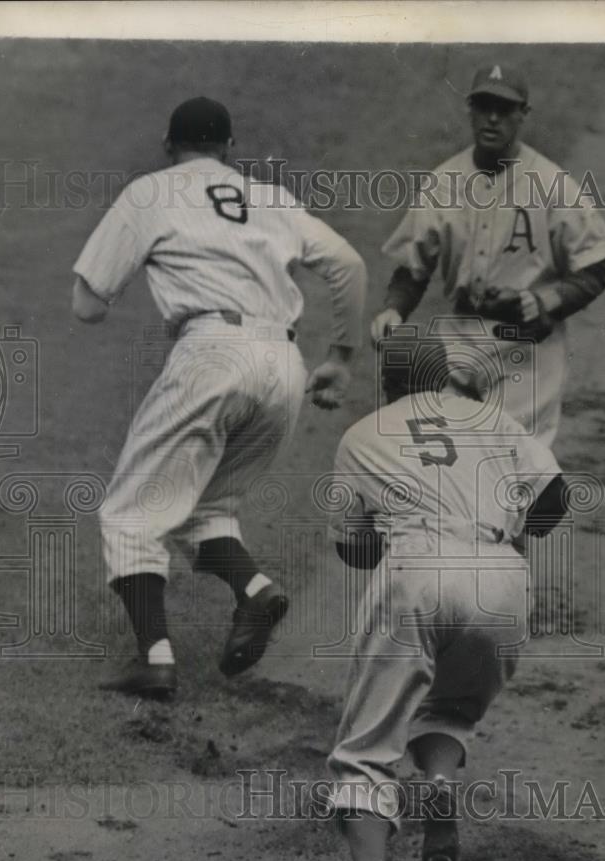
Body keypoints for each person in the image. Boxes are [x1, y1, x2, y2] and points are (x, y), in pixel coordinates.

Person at [72, 97, 366, 698]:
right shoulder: (271, 199)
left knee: (130, 513)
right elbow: (349, 264)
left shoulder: (149, 192)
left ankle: (154, 660)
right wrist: (341, 358)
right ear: (230, 149)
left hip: (212, 355)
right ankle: (256, 592)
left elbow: (88, 305)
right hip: (283, 366)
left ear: (166, 145)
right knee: (201, 507)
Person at [314, 332, 569, 861]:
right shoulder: (494, 417)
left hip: (417, 570)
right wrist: (501, 535)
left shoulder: (363, 435)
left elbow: (352, 548)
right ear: (446, 377)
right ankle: (438, 782)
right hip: (502, 579)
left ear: (388, 384)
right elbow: (557, 496)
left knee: (367, 745)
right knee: (450, 705)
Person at [371, 63, 605, 447]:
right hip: (458, 337)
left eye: (504, 109)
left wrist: (543, 300)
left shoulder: (553, 185)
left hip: (528, 347)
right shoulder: (444, 181)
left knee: (513, 471)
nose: (492, 118)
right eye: (483, 105)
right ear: (469, 109)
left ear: (523, 114)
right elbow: (412, 266)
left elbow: (594, 269)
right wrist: (393, 309)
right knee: (439, 461)